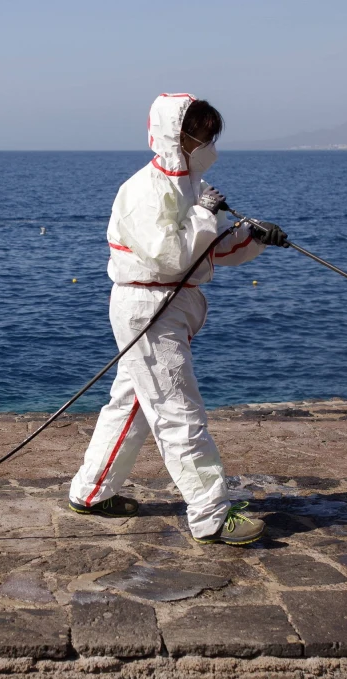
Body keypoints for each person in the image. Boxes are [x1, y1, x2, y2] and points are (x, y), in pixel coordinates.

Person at [67, 93, 288, 546]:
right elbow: (170, 256)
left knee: (131, 405)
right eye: (202, 134)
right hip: (150, 308)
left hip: (171, 307)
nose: (209, 142)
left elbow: (213, 249)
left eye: (211, 133)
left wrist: (255, 237)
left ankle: (91, 492)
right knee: (178, 411)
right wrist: (206, 214)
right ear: (177, 135)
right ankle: (209, 514)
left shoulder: (189, 185)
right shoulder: (144, 190)